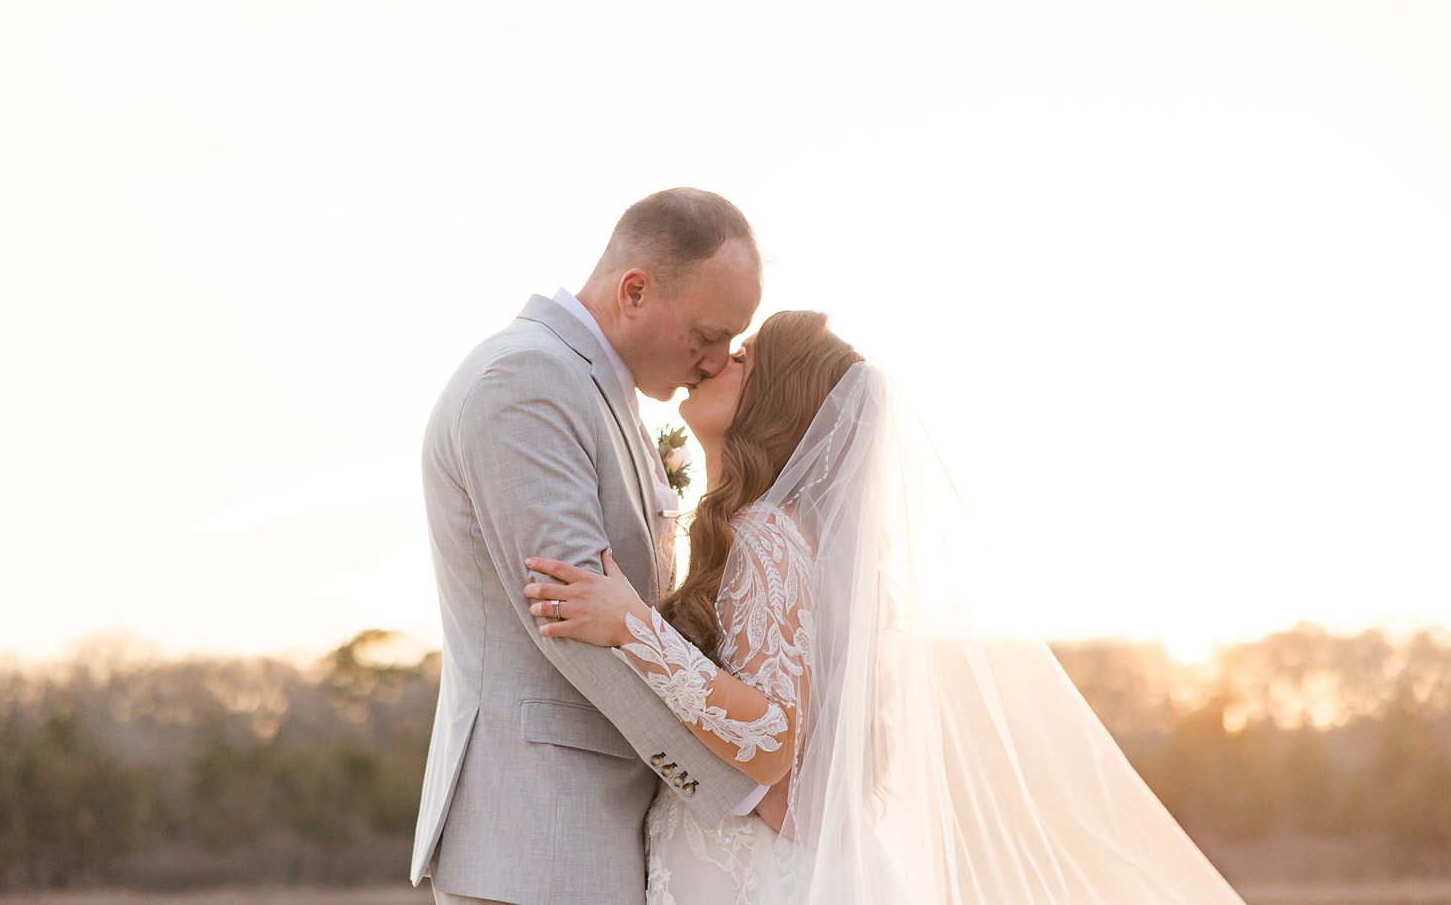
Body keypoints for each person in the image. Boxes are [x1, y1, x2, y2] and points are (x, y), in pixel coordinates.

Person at [523, 310, 1249, 903]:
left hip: (745, 871)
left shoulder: (769, 538)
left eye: (742, 357)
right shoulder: (758, 536)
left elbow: (774, 738)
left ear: (772, 400)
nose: (718, 361)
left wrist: (632, 626)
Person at [411, 188, 767, 905]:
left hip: (585, 837)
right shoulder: (526, 379)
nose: (717, 360)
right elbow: (572, 622)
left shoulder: (604, 391)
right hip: (536, 837)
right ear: (634, 290)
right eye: (707, 333)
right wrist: (747, 782)